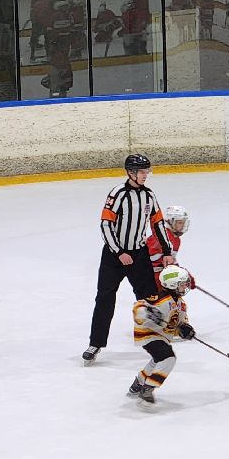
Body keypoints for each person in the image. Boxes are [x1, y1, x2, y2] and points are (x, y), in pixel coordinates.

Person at [83, 153, 174, 363]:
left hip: (139, 255)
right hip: (114, 257)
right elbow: (105, 224)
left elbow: (158, 223)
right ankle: (95, 343)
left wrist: (167, 251)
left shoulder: (149, 196)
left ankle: (156, 340)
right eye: (142, 172)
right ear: (131, 173)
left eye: (146, 172)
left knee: (150, 298)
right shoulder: (117, 193)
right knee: (105, 298)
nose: (145, 175)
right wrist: (118, 252)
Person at [127, 265, 197, 404]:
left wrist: (185, 329)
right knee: (168, 358)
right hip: (149, 333)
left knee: (158, 360)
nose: (185, 286)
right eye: (182, 284)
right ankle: (148, 388)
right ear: (173, 284)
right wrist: (149, 313)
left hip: (162, 336)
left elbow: (179, 323)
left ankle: (138, 384)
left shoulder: (181, 304)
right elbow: (138, 307)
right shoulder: (160, 298)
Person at [146, 204, 189, 275]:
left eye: (184, 222)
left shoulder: (177, 240)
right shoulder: (161, 237)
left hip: (162, 274)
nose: (183, 225)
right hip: (151, 275)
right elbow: (145, 260)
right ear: (170, 221)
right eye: (180, 222)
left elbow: (170, 262)